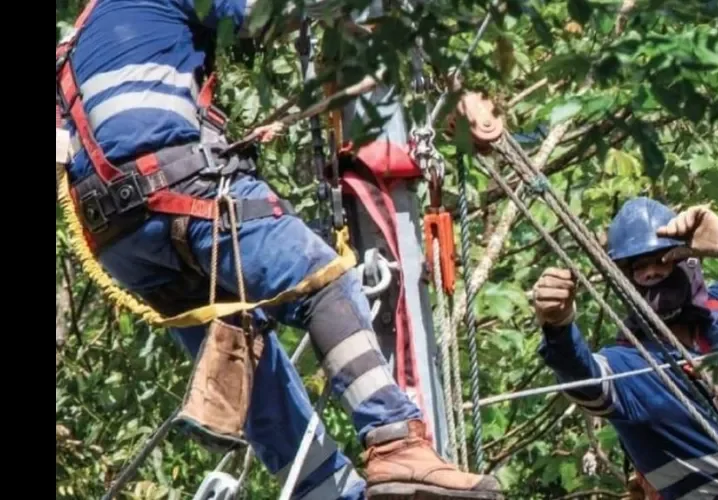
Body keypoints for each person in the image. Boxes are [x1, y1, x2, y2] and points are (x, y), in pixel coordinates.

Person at [55, 1, 503, 499]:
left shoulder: (75, 44)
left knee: (244, 343)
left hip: (120, 242)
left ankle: (323, 489)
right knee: (321, 280)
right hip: (182, 192)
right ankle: (397, 443)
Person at [531, 197, 718, 499]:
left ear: (688, 259)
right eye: (638, 266)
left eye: (662, 258)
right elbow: (581, 377)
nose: (652, 272)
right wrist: (558, 326)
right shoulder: (628, 364)